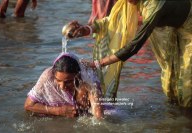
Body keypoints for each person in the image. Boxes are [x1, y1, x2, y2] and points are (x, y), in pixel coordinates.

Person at [64, 0, 192, 108]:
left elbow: (135, 45)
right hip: (171, 28)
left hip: (189, 27)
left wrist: (98, 63)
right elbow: (113, 21)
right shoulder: (129, 2)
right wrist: (86, 29)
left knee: (187, 89)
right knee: (170, 85)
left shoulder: (154, 5)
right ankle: (174, 120)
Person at [24, 52, 103, 118]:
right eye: (58, 80)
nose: (62, 87)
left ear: (77, 76)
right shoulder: (48, 77)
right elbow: (28, 105)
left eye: (68, 82)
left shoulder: (87, 79)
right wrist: (58, 111)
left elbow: (99, 116)